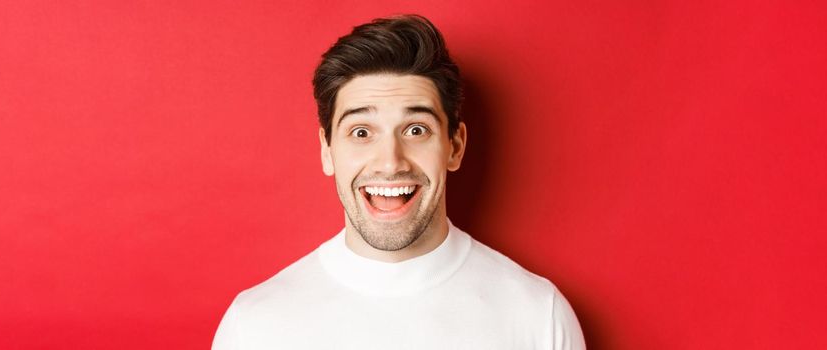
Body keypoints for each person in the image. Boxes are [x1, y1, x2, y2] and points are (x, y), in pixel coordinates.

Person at [212, 14, 586, 349]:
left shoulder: (539, 317)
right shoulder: (255, 327)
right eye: (361, 132)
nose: (390, 163)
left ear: (454, 147)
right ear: (327, 151)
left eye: (416, 129)